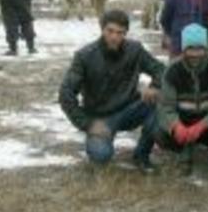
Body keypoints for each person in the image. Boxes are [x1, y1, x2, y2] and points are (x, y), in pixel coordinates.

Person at [58, 10, 165, 172]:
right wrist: (87, 124)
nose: (114, 37)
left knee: (160, 103)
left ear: (125, 33)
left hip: (130, 109)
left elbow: (160, 69)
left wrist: (155, 86)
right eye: (110, 31)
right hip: (100, 118)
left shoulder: (135, 50)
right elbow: (66, 94)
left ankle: (142, 155)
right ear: (102, 29)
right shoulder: (84, 56)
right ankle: (100, 144)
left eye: (120, 33)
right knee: (101, 155)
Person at [155, 23, 208, 179]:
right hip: (184, 122)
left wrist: (204, 124)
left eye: (199, 48)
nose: (195, 54)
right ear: (183, 49)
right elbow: (165, 107)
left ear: (206, 48)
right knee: (160, 132)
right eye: (190, 48)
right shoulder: (172, 69)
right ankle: (183, 154)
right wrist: (175, 125)